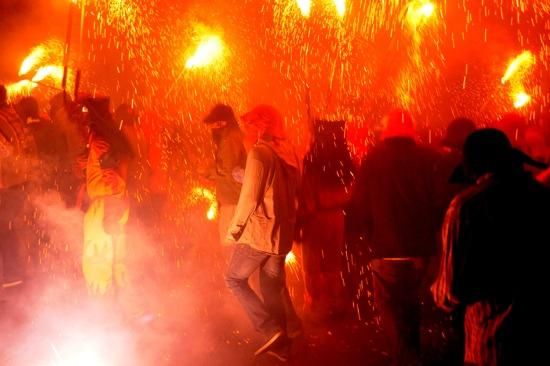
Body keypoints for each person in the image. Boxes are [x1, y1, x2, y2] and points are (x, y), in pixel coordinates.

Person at [432, 128, 549, 366]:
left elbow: (453, 290)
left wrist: (436, 292)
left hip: (492, 346)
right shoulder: (542, 197)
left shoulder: (466, 206)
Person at [351, 109, 440, 366]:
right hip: (421, 249)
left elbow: (359, 204)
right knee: (412, 307)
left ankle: (404, 359)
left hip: (385, 249)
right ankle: (410, 354)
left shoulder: (373, 159)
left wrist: (362, 240)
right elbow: (438, 202)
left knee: (390, 309)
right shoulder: (428, 158)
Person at [224, 104, 301, 362]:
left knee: (234, 279)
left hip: (260, 234)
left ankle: (269, 329)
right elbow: (277, 188)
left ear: (260, 127)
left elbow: (250, 198)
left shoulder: (258, 153)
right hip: (281, 237)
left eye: (248, 126)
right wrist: (245, 176)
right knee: (272, 292)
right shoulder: (287, 151)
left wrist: (234, 231)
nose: (244, 132)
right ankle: (282, 348)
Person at [299, 120, 355, 321]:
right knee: (333, 262)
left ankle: (314, 305)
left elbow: (306, 188)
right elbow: (351, 189)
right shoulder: (345, 156)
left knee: (312, 263)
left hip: (315, 216)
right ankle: (335, 302)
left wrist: (305, 211)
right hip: (337, 215)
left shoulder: (313, 157)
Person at [82, 97, 134, 295]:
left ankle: (104, 306)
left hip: (106, 206)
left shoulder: (100, 140)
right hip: (113, 203)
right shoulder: (109, 136)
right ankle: (121, 303)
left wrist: (112, 177)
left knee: (99, 259)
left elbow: (110, 171)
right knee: (116, 258)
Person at [0, 85, 37, 293]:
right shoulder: (12, 115)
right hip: (20, 183)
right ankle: (15, 275)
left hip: (8, 185)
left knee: (4, 229)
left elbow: (4, 152)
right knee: (7, 228)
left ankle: (13, 275)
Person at [202, 104, 246, 248]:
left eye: (214, 124)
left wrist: (206, 171)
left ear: (222, 123)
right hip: (233, 198)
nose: (212, 128)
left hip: (233, 199)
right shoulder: (231, 136)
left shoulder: (230, 139)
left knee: (231, 246)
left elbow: (226, 169)